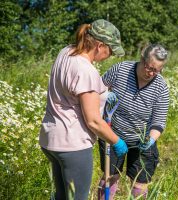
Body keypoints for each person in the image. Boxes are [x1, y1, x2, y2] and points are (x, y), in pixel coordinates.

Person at [39, 19, 128, 200]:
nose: (109, 56)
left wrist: (102, 93)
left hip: (51, 140)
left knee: (62, 196)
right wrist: (117, 141)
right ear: (100, 45)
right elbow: (93, 121)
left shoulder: (66, 52)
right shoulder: (86, 70)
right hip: (73, 145)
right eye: (110, 51)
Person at [98, 44, 169, 199]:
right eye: (148, 67)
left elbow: (159, 120)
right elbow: (97, 88)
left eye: (156, 70)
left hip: (141, 139)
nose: (150, 73)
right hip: (113, 133)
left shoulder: (161, 87)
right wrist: (104, 95)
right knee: (110, 177)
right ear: (142, 59)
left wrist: (150, 139)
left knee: (140, 184)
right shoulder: (121, 70)